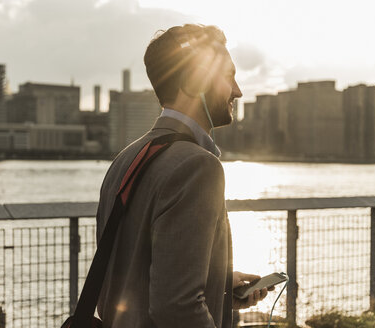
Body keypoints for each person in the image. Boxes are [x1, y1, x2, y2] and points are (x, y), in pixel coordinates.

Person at [96, 24, 271, 328]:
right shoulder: (197, 166)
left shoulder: (125, 159)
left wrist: (219, 285)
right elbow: (177, 308)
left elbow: (130, 277)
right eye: (228, 76)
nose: (237, 91)